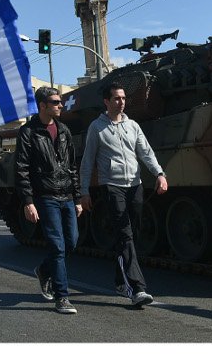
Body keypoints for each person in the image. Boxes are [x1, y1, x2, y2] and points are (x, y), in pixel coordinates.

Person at [79, 82, 169, 307]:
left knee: (133, 234)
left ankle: (120, 280)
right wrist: (84, 192)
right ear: (107, 102)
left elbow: (145, 152)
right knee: (125, 234)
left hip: (135, 185)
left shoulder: (133, 125)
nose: (121, 102)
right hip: (112, 186)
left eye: (123, 98)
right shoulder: (96, 128)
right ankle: (137, 288)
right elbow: (87, 161)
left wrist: (159, 173)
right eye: (117, 98)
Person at [15, 86, 82, 315]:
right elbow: (21, 168)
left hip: (67, 196)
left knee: (71, 242)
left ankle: (44, 270)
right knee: (57, 245)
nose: (60, 105)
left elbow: (73, 166)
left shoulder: (63, 130)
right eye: (55, 102)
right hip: (46, 196)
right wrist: (28, 201)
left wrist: (78, 197)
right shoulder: (28, 132)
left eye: (60, 102)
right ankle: (62, 297)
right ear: (42, 105)